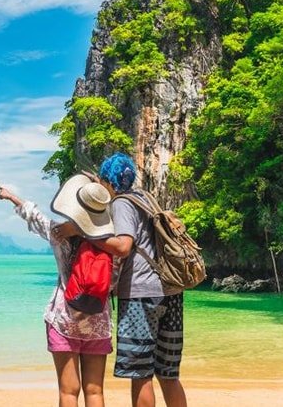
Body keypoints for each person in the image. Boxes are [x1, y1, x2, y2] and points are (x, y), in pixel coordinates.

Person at [0, 174, 122, 407]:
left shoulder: (61, 234)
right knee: (95, 392)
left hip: (65, 318)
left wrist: (11, 197)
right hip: (99, 321)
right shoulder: (113, 243)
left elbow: (36, 217)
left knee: (68, 392)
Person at [96, 153, 187, 407]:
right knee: (168, 373)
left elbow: (124, 246)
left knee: (141, 373)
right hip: (171, 291)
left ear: (108, 182)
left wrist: (91, 237)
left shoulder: (122, 203)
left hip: (140, 294)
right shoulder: (147, 198)